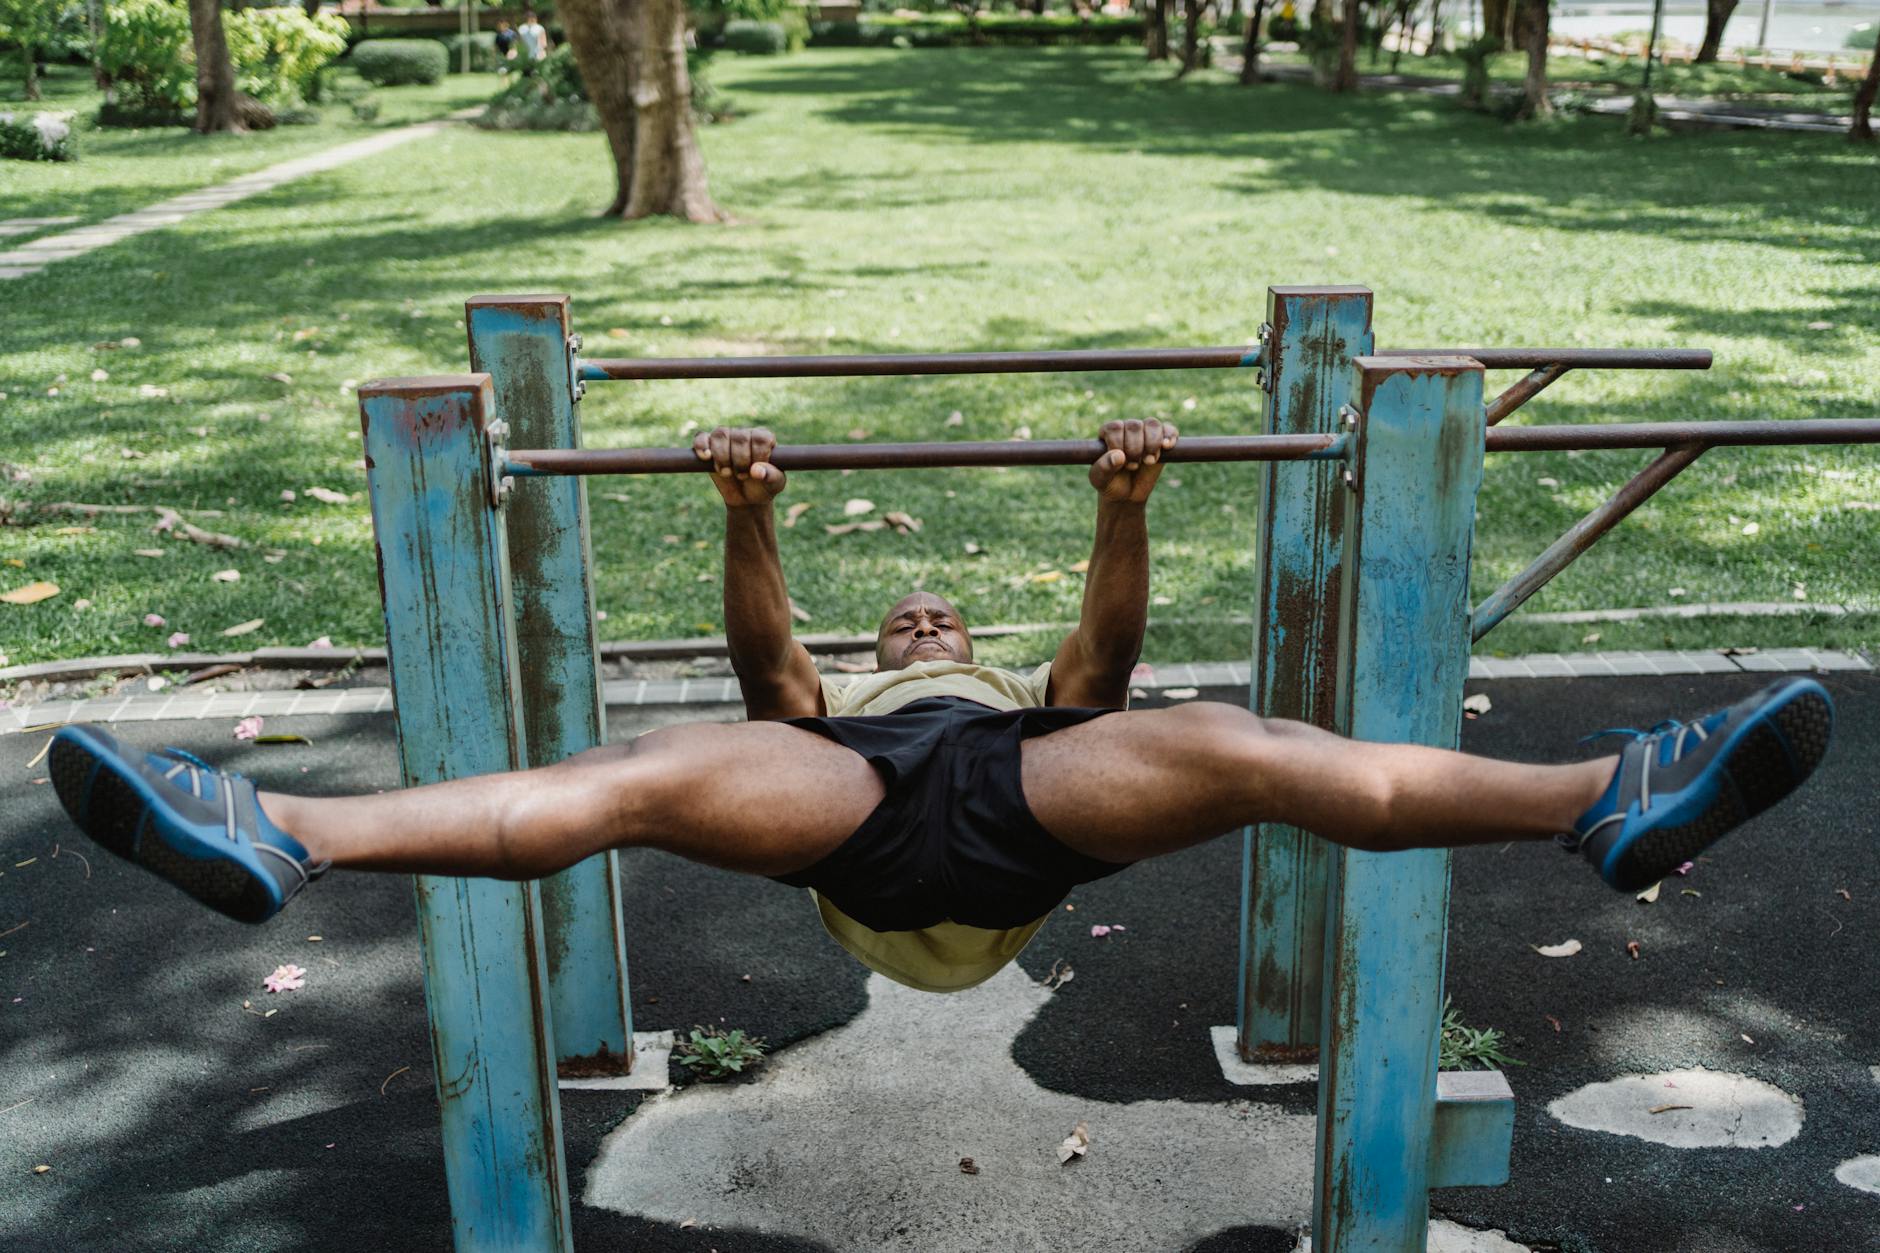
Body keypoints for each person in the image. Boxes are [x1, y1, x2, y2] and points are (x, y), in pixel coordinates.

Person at [48, 421, 1835, 994]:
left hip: (1010, 811)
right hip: (853, 829)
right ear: (874, 627)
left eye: (934, 604)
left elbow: (1106, 675)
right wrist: (749, 516)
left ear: (961, 629)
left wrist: (1120, 512)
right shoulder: (827, 701)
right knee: (648, 769)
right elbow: (767, 676)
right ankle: (276, 826)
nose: (919, 606)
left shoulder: (1021, 694)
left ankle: (1605, 791)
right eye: (899, 603)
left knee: (1245, 746)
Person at [515, 9, 550, 74]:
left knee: (539, 74)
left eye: (532, 18)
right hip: (526, 57)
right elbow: (519, 42)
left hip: (538, 55)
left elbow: (543, 42)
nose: (531, 20)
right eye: (529, 18)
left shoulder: (539, 28)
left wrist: (541, 52)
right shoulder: (522, 28)